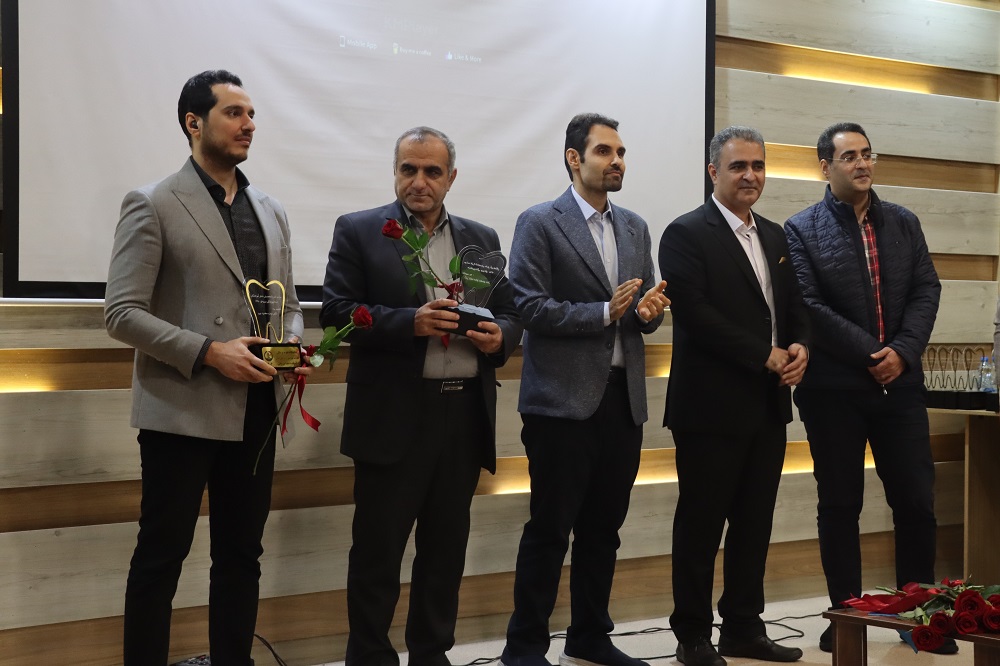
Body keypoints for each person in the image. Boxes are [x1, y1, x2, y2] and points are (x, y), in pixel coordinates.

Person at [105, 69, 311, 665]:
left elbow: (291, 306)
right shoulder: (153, 202)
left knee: (241, 556)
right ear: (193, 123)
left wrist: (291, 346)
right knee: (161, 558)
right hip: (180, 408)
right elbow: (121, 314)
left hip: (257, 411)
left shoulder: (270, 209)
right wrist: (209, 352)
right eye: (234, 113)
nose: (249, 124)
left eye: (252, 115)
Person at [321, 126, 522, 666]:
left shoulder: (480, 239)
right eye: (408, 169)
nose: (419, 181)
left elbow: (510, 310)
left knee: (445, 552)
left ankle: (431, 654)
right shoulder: (360, 230)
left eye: (432, 171)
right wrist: (408, 322)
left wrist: (501, 337)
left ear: (451, 178)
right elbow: (336, 313)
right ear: (395, 172)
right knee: (378, 553)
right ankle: (370, 657)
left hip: (463, 416)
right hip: (392, 418)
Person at [500, 113, 669, 666]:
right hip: (561, 404)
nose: (616, 161)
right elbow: (528, 306)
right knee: (550, 530)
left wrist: (646, 313)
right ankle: (525, 646)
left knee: (604, 530)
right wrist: (602, 312)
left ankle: (590, 637)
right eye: (604, 152)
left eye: (621, 153)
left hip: (623, 402)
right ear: (574, 158)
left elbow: (637, 314)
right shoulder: (540, 222)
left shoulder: (635, 227)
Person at [784, 122, 946, 654]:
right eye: (849, 156)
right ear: (824, 167)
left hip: (900, 385)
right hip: (833, 391)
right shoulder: (800, 229)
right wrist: (874, 353)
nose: (862, 164)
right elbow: (809, 305)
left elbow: (926, 288)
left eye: (867, 154)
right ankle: (846, 619)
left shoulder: (903, 221)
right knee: (840, 505)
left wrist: (902, 351)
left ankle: (919, 618)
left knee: (916, 502)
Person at [659, 126, 809, 666]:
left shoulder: (775, 235)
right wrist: (762, 354)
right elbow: (696, 315)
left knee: (754, 524)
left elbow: (793, 306)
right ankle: (692, 635)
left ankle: (744, 627)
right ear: (713, 171)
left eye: (758, 165)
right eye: (738, 165)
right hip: (709, 408)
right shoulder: (685, 233)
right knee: (701, 527)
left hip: (767, 406)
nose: (750, 175)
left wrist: (800, 346)